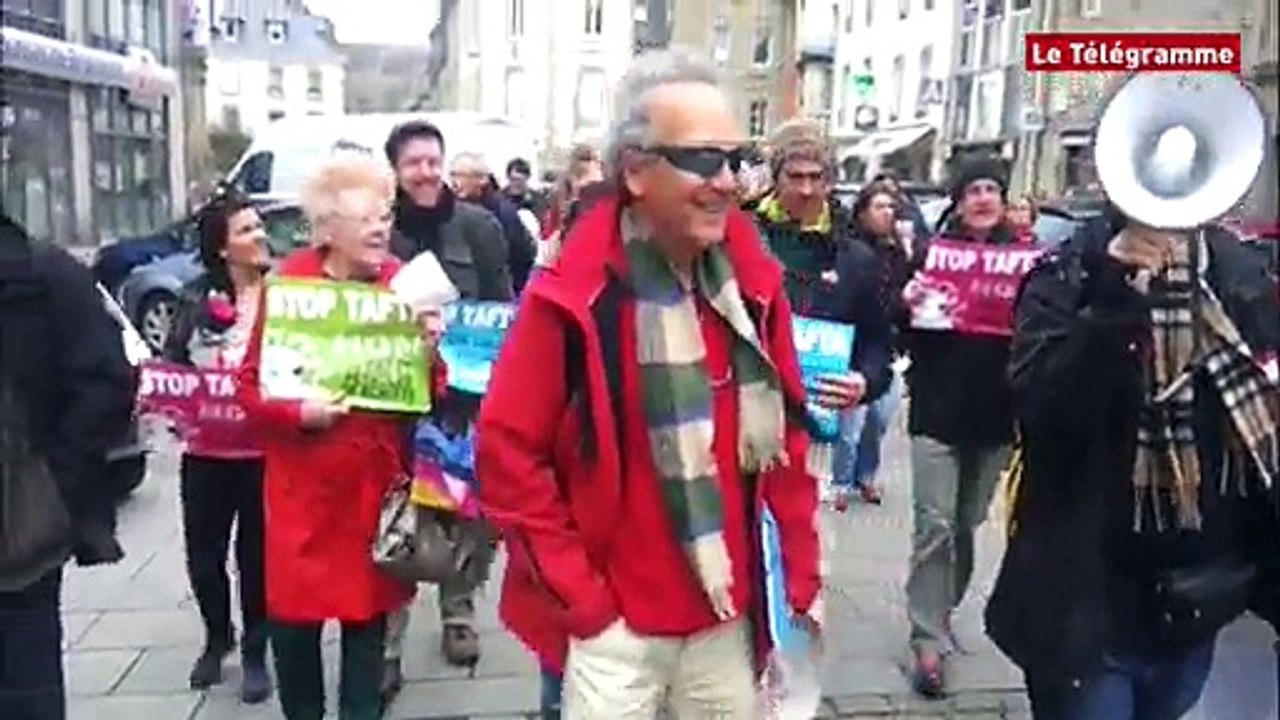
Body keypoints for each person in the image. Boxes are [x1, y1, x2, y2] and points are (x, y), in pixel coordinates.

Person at [477, 47, 828, 719]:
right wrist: (587, 605)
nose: (728, 182)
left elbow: (786, 438)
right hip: (618, 631)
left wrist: (800, 578)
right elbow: (507, 454)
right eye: (702, 160)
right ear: (635, 170)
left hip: (730, 616)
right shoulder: (572, 293)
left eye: (736, 159)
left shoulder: (752, 283)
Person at [987, 206, 1279, 720]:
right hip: (1088, 603)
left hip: (1196, 597)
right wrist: (1112, 298)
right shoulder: (1068, 273)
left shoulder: (1237, 274)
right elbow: (1047, 414)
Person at [236, 152, 436, 720]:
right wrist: (300, 411)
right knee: (294, 639)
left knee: (366, 644)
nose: (381, 227)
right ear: (328, 229)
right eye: (366, 217)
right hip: (301, 498)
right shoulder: (289, 286)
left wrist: (426, 348)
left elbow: (434, 391)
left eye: (386, 214)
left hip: (372, 496)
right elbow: (248, 388)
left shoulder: (407, 284)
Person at [382, 120, 515, 699]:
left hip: (462, 394)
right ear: (395, 170)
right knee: (395, 512)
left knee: (463, 507)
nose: (426, 171)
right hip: (394, 395)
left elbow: (502, 305)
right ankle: (388, 636)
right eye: (413, 162)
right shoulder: (379, 230)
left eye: (433, 160)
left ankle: (459, 614)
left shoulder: (479, 227)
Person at [1, 209, 134, 720]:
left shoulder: (43, 273)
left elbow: (106, 382)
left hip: (20, 538)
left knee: (26, 692)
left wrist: (55, 476)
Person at [902, 158, 1018, 697]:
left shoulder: (1027, 259)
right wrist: (905, 306)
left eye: (991, 188)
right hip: (936, 409)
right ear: (957, 199)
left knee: (967, 523)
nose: (983, 198)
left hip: (995, 412)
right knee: (936, 523)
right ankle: (926, 638)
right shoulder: (930, 255)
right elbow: (901, 329)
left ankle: (942, 608)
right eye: (972, 189)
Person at [164, 190, 272, 703]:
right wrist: (170, 402)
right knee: (205, 557)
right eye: (247, 230)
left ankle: (255, 649)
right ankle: (216, 637)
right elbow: (173, 364)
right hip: (205, 453)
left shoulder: (285, 296)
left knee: (257, 557)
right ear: (223, 248)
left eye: (258, 227)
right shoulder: (194, 298)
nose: (260, 237)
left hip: (265, 454)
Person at [752, 118, 893, 491]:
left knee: (801, 540)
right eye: (795, 177)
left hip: (816, 434)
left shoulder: (856, 256)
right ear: (775, 178)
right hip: (744, 424)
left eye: (817, 177)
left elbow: (878, 343)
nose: (806, 189)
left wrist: (863, 381)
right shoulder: (742, 239)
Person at [834, 182, 915, 508]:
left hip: (891, 347)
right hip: (854, 346)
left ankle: (866, 476)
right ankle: (839, 482)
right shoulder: (849, 250)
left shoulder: (897, 252)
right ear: (863, 211)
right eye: (879, 207)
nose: (887, 214)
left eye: (891, 208)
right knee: (849, 426)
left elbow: (909, 295)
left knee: (879, 421)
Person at [450, 153, 536, 292]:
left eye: (462, 176)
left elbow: (522, 254)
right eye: (453, 175)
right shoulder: (449, 211)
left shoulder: (503, 213)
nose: (455, 182)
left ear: (482, 179)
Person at [873, 170, 931, 242]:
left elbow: (923, 236)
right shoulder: (871, 213)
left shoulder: (911, 211)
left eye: (891, 186)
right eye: (883, 187)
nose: (888, 190)